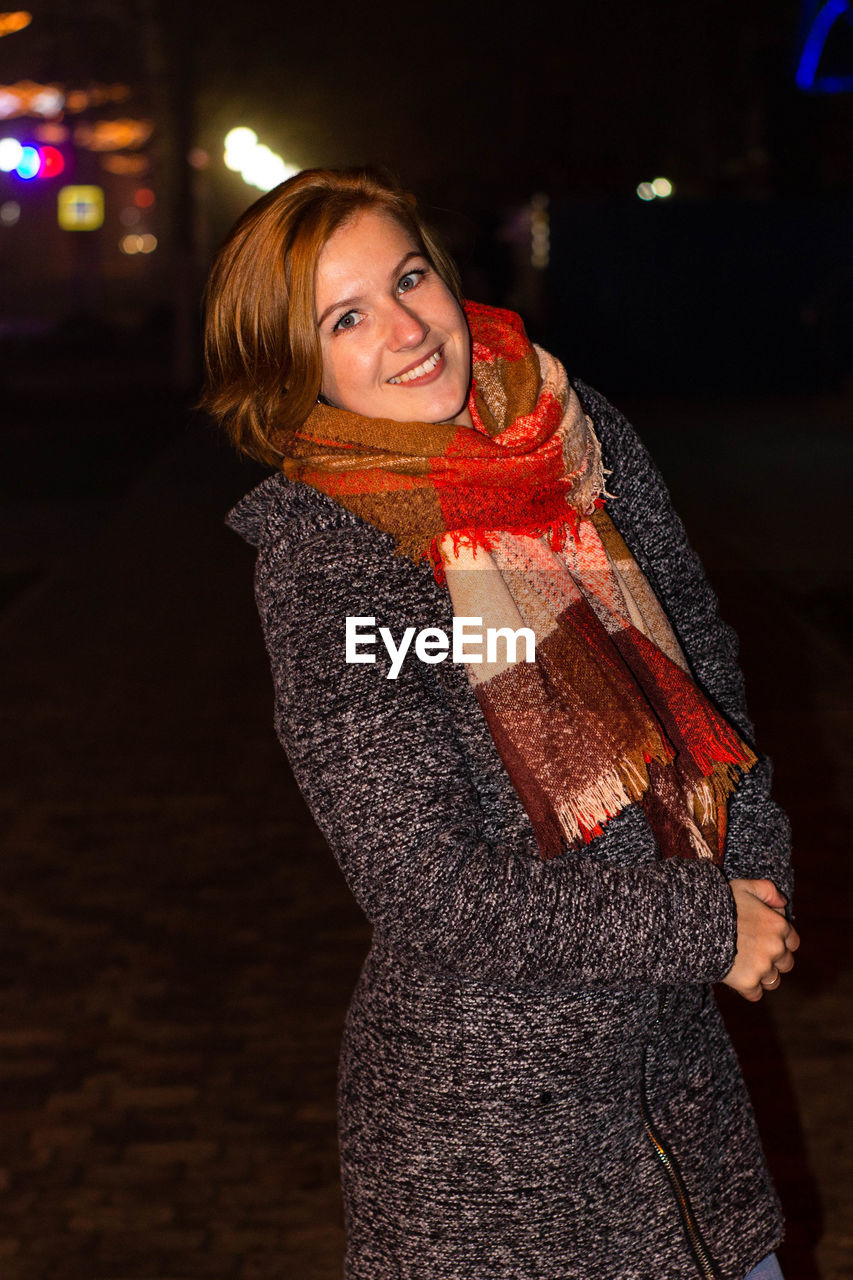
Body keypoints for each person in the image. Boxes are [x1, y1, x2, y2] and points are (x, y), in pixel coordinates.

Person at [202, 167, 800, 1280]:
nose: (406, 329)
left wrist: (752, 869)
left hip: (678, 1094)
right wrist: (703, 922)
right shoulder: (329, 567)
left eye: (409, 276)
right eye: (346, 317)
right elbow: (432, 888)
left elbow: (697, 651)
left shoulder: (566, 424)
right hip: (489, 1151)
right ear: (295, 370)